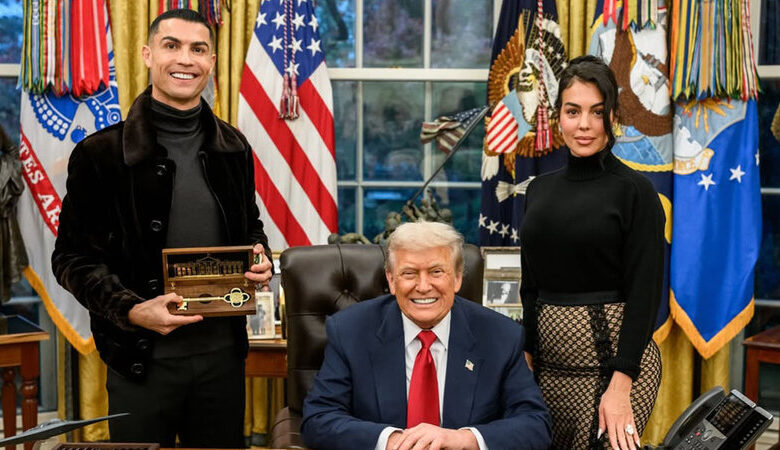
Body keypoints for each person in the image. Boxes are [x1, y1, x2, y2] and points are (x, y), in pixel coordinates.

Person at [51, 9, 272, 448]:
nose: (185, 59)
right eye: (172, 46)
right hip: (139, 360)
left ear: (211, 61)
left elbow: (250, 227)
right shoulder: (100, 154)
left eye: (198, 49)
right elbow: (71, 259)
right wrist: (132, 310)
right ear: (148, 54)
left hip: (222, 361)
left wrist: (258, 255)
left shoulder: (234, 147)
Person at [302, 221, 552, 450]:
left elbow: (534, 424)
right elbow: (319, 418)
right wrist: (391, 441)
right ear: (391, 280)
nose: (423, 287)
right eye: (409, 273)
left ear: (457, 278)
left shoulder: (500, 336)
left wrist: (464, 439)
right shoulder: (350, 331)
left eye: (436, 272)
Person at [520, 55, 664, 450]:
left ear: (613, 117)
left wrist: (621, 385)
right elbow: (530, 288)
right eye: (573, 111)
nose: (584, 124)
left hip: (617, 370)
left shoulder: (636, 191)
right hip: (545, 370)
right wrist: (525, 359)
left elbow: (645, 293)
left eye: (597, 112)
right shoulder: (538, 190)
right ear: (558, 116)